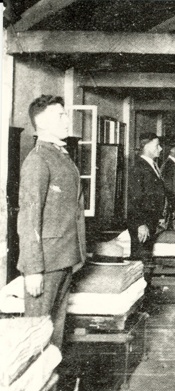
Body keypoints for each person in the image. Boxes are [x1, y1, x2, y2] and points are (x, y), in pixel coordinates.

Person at [17, 95, 87, 349]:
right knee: (36, 335)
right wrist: (32, 268)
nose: (68, 119)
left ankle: (53, 388)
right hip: (45, 262)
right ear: (43, 122)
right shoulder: (38, 160)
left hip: (64, 257)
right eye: (61, 115)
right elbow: (29, 217)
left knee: (55, 335)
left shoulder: (60, 156)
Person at [127, 133, 169, 260]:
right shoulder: (139, 167)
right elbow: (134, 198)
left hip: (150, 221)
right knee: (140, 262)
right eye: (157, 145)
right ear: (147, 146)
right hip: (142, 223)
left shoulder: (151, 165)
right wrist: (140, 224)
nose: (160, 149)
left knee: (146, 260)